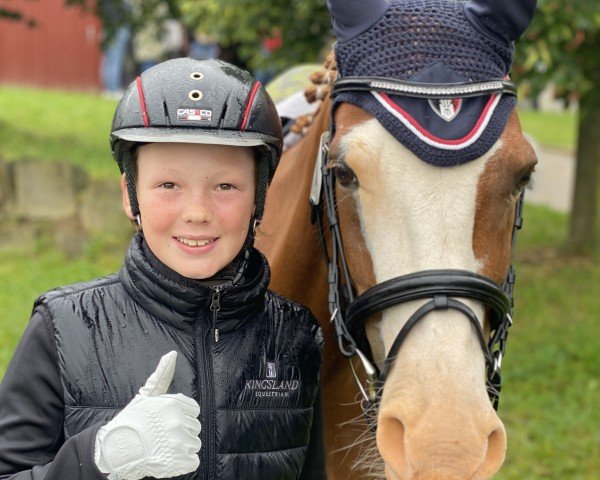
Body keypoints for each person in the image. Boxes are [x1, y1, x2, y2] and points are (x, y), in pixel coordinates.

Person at [0, 58, 326, 479]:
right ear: (129, 195)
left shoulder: (297, 336)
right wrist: (97, 460)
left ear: (258, 198)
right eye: (168, 185)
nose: (197, 213)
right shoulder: (63, 328)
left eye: (225, 186)